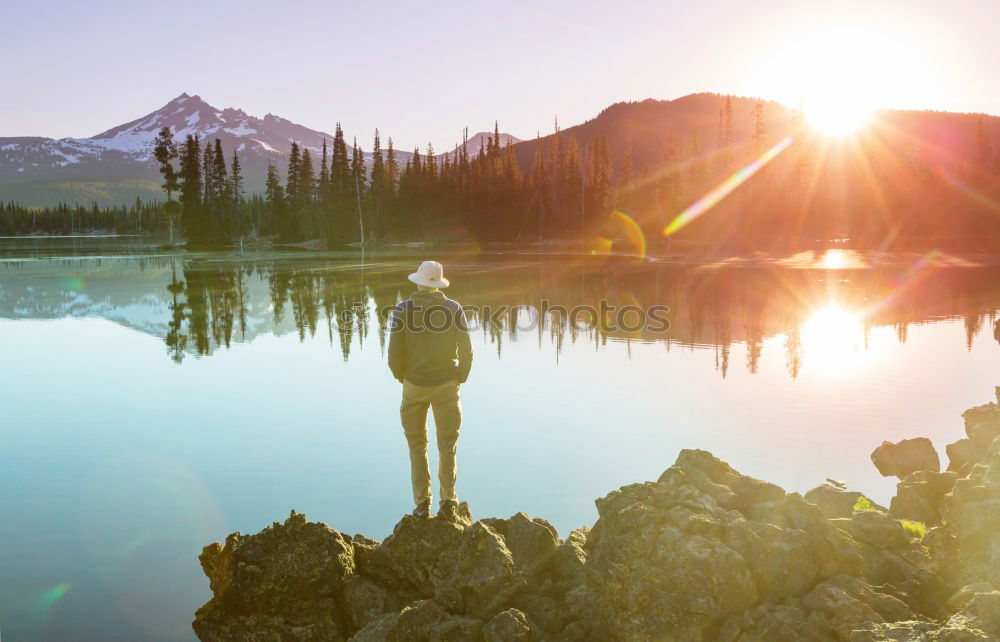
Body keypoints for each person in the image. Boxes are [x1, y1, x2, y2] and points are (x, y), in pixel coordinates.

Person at [388, 261, 473, 521]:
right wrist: (460, 377)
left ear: (418, 282)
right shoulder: (453, 308)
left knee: (417, 446)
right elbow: (467, 351)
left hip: (414, 385)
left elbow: (393, 354)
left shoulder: (403, 310)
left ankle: (422, 504)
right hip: (446, 386)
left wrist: (403, 377)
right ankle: (448, 503)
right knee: (447, 445)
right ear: (438, 284)